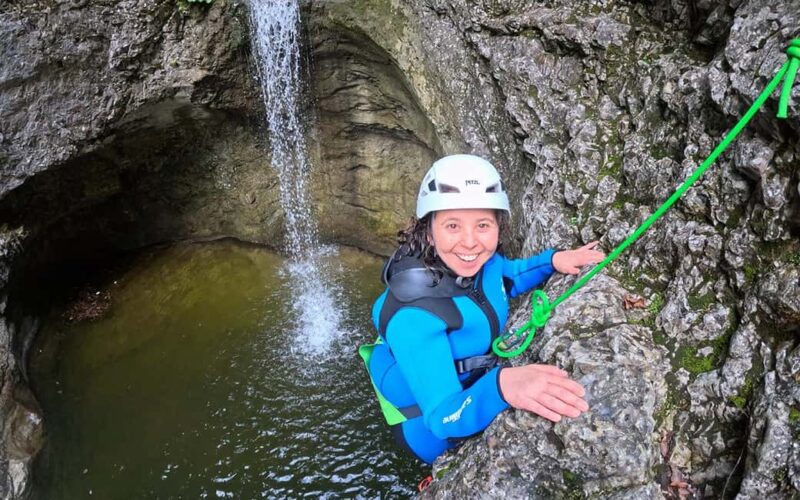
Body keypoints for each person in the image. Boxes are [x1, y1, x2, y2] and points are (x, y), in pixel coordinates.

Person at [364, 154, 605, 465]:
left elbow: (508, 278)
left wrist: (552, 261)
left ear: (498, 227)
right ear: (428, 232)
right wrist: (503, 384)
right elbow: (442, 418)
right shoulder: (414, 316)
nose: (469, 243)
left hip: (471, 386)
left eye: (483, 225)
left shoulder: (483, 264)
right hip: (430, 431)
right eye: (452, 225)